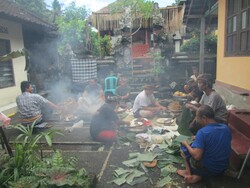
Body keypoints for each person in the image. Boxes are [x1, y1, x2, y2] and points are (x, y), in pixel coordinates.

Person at [177, 105, 231, 184]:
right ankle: (199, 176)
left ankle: (189, 172)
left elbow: (197, 156)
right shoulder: (225, 128)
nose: (197, 120)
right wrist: (198, 138)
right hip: (223, 167)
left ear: (204, 118)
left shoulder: (202, 132)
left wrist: (186, 144)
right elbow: (216, 139)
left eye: (197, 118)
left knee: (184, 147)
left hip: (210, 169)